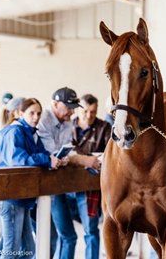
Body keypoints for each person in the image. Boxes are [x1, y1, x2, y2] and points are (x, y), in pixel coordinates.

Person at [37, 87, 100, 259]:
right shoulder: (43, 120)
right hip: (42, 188)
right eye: (68, 107)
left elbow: (64, 153)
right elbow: (53, 152)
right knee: (48, 239)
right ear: (55, 104)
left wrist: (67, 158)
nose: (72, 112)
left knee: (68, 236)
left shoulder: (66, 121)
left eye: (73, 107)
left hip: (60, 185)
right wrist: (84, 160)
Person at [0, 98, 61, 259]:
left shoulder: (31, 133)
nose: (36, 117)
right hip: (10, 196)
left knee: (27, 249)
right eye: (31, 113)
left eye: (39, 113)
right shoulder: (14, 132)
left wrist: (54, 158)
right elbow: (17, 159)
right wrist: (47, 160)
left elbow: (41, 153)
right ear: (20, 113)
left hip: (22, 197)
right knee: (12, 249)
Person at [60, 94, 111, 259]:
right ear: (78, 110)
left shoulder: (104, 127)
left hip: (90, 187)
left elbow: (110, 155)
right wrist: (87, 158)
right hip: (65, 186)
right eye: (86, 112)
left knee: (90, 230)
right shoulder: (67, 126)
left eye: (93, 112)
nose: (89, 116)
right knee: (65, 233)